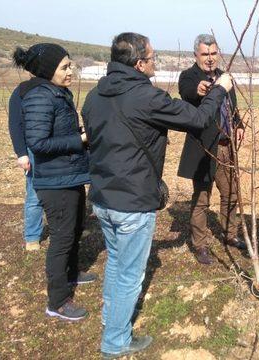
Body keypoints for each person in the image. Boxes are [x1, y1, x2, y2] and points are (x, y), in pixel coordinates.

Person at [81, 32, 233, 358]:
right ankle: (115, 342)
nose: (154, 63)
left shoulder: (94, 96)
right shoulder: (145, 96)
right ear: (139, 63)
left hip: (103, 198)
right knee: (130, 276)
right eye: (152, 58)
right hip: (132, 202)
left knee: (117, 265)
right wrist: (221, 89)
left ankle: (113, 324)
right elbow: (198, 118)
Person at [14, 43, 96, 322]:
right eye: (64, 66)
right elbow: (38, 143)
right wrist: (81, 139)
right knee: (61, 238)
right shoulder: (40, 96)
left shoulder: (57, 93)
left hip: (69, 174)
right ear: (49, 70)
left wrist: (79, 134)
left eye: (69, 65)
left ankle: (72, 274)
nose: (70, 70)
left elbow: (57, 132)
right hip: (54, 180)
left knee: (74, 229)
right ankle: (58, 301)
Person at [177, 34, 246, 265]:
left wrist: (239, 125)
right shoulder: (189, 77)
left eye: (213, 53)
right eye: (205, 54)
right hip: (204, 149)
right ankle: (200, 245)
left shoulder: (225, 78)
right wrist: (200, 89)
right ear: (196, 55)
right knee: (202, 200)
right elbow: (187, 91)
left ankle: (230, 235)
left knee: (231, 194)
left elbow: (232, 107)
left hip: (226, 147)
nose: (210, 59)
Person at [8, 84, 44, 251]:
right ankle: (32, 237)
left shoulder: (59, 88)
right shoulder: (22, 91)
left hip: (56, 148)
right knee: (34, 194)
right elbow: (15, 124)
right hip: (32, 150)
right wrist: (21, 153)